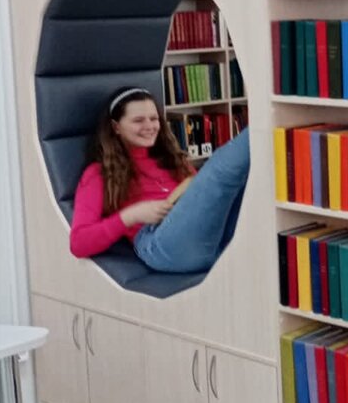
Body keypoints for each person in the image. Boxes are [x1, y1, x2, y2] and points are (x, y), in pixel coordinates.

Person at [69, 87, 250, 273]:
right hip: (157, 243)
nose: (149, 126)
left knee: (247, 177)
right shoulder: (98, 173)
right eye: (138, 120)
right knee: (220, 168)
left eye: (154, 119)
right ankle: (264, 120)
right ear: (116, 127)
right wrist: (132, 215)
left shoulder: (173, 160)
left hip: (212, 241)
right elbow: (78, 243)